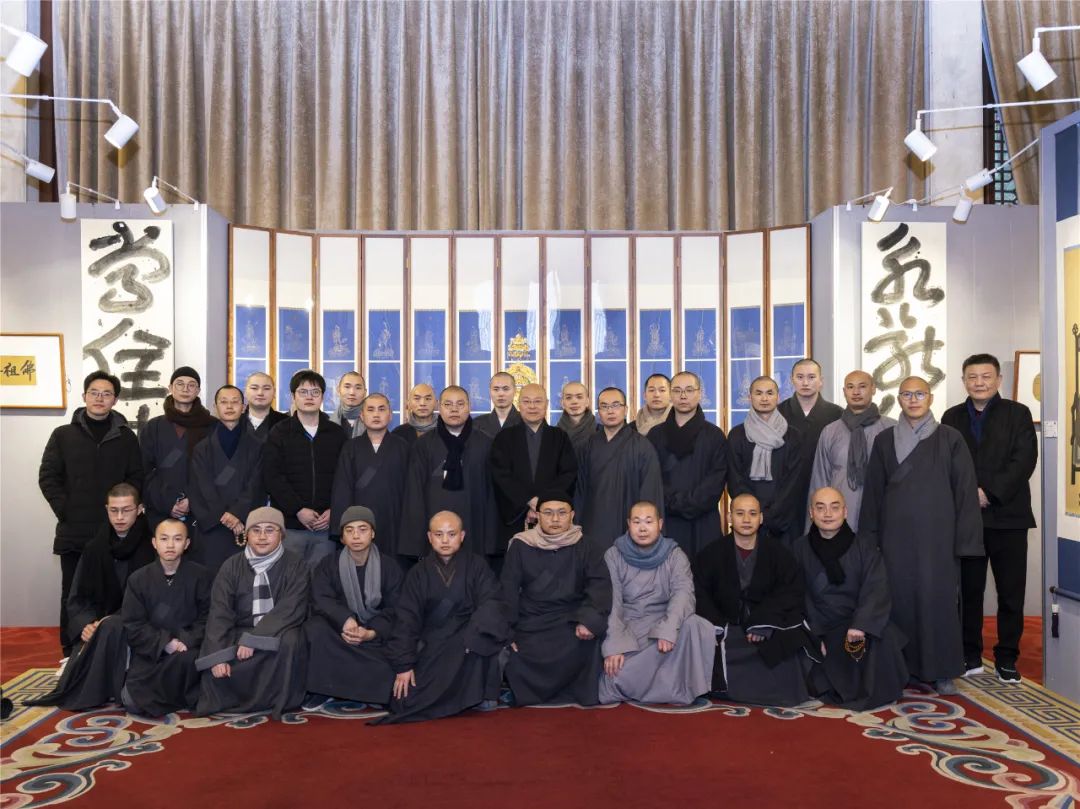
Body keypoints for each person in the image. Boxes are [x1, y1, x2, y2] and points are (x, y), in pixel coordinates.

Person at [860, 376, 983, 695]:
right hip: (895, 538)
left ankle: (941, 670)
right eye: (906, 394)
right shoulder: (885, 440)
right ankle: (899, 667)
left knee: (938, 601)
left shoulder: (950, 438)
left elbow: (965, 492)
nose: (913, 400)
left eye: (919, 394)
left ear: (930, 398)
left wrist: (965, 542)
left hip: (938, 538)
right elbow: (873, 494)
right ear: (898, 399)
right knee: (897, 601)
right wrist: (868, 540)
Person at [941, 354, 1037, 682]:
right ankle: (969, 654)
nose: (979, 382)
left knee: (1011, 592)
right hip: (967, 519)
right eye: (972, 377)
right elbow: (946, 463)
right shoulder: (951, 417)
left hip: (1009, 517)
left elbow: (1024, 460)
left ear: (998, 380)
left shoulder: (1017, 413)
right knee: (968, 592)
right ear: (963, 381)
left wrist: (988, 492)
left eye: (986, 376)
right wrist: (969, 495)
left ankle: (1007, 657)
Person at [39, 370, 143, 654]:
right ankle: (71, 651)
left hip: (116, 530)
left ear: (115, 400)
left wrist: (124, 513)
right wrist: (66, 510)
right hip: (74, 530)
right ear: (84, 396)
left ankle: (111, 650)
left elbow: (136, 478)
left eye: (106, 394)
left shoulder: (126, 438)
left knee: (113, 590)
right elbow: (48, 477)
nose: (100, 398)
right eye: (94, 393)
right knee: (72, 592)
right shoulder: (63, 435)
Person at [26, 484, 156, 709]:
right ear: (106, 510)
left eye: (126, 510)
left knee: (111, 627)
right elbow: (77, 597)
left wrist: (112, 620)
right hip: (98, 624)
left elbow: (158, 597)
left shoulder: (152, 546)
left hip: (139, 624)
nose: (119, 517)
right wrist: (85, 624)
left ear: (139, 509)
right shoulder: (95, 548)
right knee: (100, 633)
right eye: (114, 510)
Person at [379, 511, 509, 724]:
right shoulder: (417, 573)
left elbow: (492, 602)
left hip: (468, 639)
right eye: (439, 534)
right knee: (405, 702)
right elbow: (406, 619)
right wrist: (404, 665)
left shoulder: (477, 566)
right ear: (430, 537)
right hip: (433, 643)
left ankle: (480, 694)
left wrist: (473, 635)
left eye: (451, 534)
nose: (445, 540)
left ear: (462, 536)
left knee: (481, 645)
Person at [693, 493, 818, 707]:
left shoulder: (779, 553)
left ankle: (777, 692)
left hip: (767, 626)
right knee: (710, 640)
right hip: (728, 627)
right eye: (740, 513)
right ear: (730, 517)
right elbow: (699, 593)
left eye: (752, 514)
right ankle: (731, 689)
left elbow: (790, 592)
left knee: (790, 637)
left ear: (760, 518)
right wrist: (719, 625)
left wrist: (763, 622)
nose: (746, 519)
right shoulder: (711, 553)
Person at [793, 487, 908, 710]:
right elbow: (797, 595)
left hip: (857, 623)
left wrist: (861, 625)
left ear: (845, 512)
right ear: (811, 513)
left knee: (884, 638)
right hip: (822, 626)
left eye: (834, 507)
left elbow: (876, 587)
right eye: (820, 508)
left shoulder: (864, 546)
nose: (828, 514)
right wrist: (813, 634)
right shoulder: (799, 549)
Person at [195, 507, 311, 719]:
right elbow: (220, 613)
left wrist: (255, 639)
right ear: (246, 534)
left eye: (270, 530)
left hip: (277, 629)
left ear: (282, 535)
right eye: (256, 530)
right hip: (239, 630)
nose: (262, 536)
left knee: (291, 640)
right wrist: (217, 657)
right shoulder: (231, 566)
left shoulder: (296, 565)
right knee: (217, 658)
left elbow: (291, 608)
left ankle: (276, 700)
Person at [501, 491, 611, 707]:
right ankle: (527, 692)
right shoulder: (521, 545)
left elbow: (599, 586)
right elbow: (508, 590)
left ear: (572, 515)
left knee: (587, 642)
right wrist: (507, 629)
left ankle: (572, 691)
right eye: (548, 513)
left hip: (571, 619)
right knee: (516, 651)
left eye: (562, 513)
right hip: (532, 621)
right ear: (537, 515)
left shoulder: (587, 546)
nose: (555, 519)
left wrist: (588, 621)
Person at [599, 502, 714, 705]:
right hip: (630, 625)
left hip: (664, 621)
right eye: (637, 522)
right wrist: (615, 644)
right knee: (615, 677)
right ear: (628, 524)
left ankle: (676, 689)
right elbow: (612, 602)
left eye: (648, 522)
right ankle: (659, 687)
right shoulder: (614, 555)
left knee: (696, 625)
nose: (643, 528)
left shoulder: (675, 554)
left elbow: (683, 594)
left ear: (660, 524)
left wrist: (668, 629)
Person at [305, 506, 404, 706]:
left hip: (375, 632)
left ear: (373, 533)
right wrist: (345, 619)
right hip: (341, 630)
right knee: (314, 629)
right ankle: (323, 688)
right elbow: (321, 598)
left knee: (403, 640)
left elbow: (396, 608)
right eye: (349, 530)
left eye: (362, 529)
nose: (356, 536)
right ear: (342, 537)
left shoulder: (390, 566)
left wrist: (371, 632)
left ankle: (369, 690)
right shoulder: (328, 564)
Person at [120, 519, 212, 716]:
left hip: (187, 650)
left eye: (177, 539)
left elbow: (208, 617)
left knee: (190, 662)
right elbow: (133, 623)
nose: (170, 545)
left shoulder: (202, 576)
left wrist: (186, 640)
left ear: (187, 543)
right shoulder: (138, 579)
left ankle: (179, 696)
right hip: (152, 651)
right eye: (164, 539)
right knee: (132, 703)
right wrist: (165, 643)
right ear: (154, 543)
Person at [399, 386, 500, 560]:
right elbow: (414, 494)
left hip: (475, 525)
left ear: (469, 407)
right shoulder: (424, 445)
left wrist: (491, 539)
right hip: (435, 525)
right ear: (439, 407)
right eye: (448, 404)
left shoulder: (485, 444)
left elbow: (493, 496)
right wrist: (417, 540)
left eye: (460, 404)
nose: (454, 409)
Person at [263, 370, 347, 567]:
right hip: (291, 525)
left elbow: (345, 477)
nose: (309, 397)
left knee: (321, 579)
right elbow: (272, 476)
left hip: (326, 526)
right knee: (289, 579)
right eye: (303, 392)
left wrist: (334, 509)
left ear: (322, 397)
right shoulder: (279, 432)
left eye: (315, 392)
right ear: (293, 396)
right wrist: (298, 509)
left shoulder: (336, 434)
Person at [489, 383, 578, 552]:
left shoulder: (559, 437)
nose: (532, 406)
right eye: (527, 401)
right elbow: (501, 475)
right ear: (519, 404)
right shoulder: (504, 437)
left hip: (552, 516)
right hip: (515, 516)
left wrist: (542, 504)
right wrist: (528, 502)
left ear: (547, 404)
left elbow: (568, 473)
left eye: (538, 401)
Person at [647, 371, 727, 558]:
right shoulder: (655, 435)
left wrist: (689, 502)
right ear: (670, 394)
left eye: (689, 390)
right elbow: (650, 478)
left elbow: (716, 480)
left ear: (699, 394)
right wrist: (671, 502)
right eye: (677, 390)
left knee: (705, 571)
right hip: (667, 519)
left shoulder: (715, 436)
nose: (683, 396)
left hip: (703, 520)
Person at [189, 385, 265, 574]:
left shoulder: (257, 446)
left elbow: (256, 484)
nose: (229, 406)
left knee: (245, 579)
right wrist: (226, 517)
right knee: (211, 580)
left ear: (244, 407)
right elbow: (201, 486)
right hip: (213, 525)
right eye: (224, 402)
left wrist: (238, 513)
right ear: (215, 407)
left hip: (245, 524)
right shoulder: (202, 448)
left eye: (235, 402)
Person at [575, 387, 664, 548]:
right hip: (593, 525)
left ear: (626, 409)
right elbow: (579, 492)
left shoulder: (642, 446)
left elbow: (650, 492)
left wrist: (644, 527)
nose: (610, 411)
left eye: (616, 405)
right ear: (598, 412)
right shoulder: (588, 446)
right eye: (604, 406)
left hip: (629, 527)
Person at [808, 370, 896, 531]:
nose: (856, 392)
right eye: (850, 387)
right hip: (838, 515)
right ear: (844, 391)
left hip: (881, 511)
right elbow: (820, 479)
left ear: (873, 389)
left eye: (862, 386)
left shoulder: (891, 429)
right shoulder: (830, 431)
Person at [726, 376, 805, 545]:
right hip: (748, 520)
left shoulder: (793, 436)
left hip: (784, 519)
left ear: (778, 397)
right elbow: (735, 479)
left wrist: (770, 514)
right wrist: (754, 513)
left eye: (769, 393)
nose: (764, 398)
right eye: (758, 393)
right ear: (750, 397)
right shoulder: (737, 435)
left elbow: (794, 482)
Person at [140, 366, 217, 534]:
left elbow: (217, 471)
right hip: (161, 509)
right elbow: (145, 471)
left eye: (191, 385)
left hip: (201, 512)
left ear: (198, 391)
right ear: (170, 388)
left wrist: (193, 500)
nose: (185, 389)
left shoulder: (212, 426)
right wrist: (168, 502)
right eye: (180, 384)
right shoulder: (153, 427)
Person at [331, 393, 410, 556]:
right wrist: (342, 528)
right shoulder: (350, 448)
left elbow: (411, 490)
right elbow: (342, 490)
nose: (376, 414)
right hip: (359, 522)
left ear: (390, 415)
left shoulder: (403, 447)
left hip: (394, 520)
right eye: (371, 409)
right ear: (362, 415)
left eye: (381, 409)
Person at [777, 358, 843, 469]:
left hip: (825, 477)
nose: (805, 383)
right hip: (786, 477)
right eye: (800, 377)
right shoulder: (778, 412)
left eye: (811, 377)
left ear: (821, 381)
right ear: (791, 380)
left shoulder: (837, 414)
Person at [473, 371, 521, 439]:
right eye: (496, 389)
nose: (501, 394)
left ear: (515, 391)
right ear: (490, 392)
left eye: (506, 389)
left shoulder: (525, 421)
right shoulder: (477, 424)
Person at [243, 372, 289, 442]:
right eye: (254, 388)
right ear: (245, 392)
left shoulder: (287, 423)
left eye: (266, 388)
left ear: (274, 392)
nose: (260, 393)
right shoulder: (234, 421)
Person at [391, 383, 438, 447]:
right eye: (417, 398)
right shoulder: (398, 433)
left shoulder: (446, 431)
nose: (422, 403)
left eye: (427, 399)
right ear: (408, 403)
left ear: (436, 403)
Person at [556, 381, 597, 454]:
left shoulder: (601, 432)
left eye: (579, 397)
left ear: (587, 402)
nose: (574, 402)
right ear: (562, 403)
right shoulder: (554, 434)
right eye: (568, 398)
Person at [332, 371, 368, 437]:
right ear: (338, 390)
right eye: (347, 387)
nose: (352, 392)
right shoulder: (329, 423)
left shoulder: (373, 422)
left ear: (365, 393)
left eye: (358, 388)